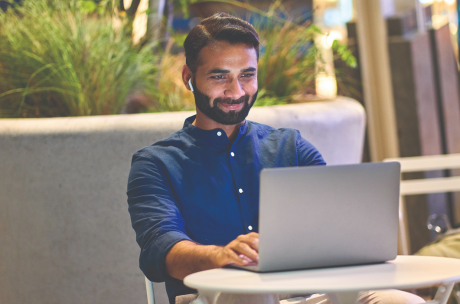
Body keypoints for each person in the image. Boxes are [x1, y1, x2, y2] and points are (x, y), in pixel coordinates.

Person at [127, 12, 424, 304]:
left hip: (307, 294)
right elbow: (160, 251)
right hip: (212, 297)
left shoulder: (291, 147)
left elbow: (333, 229)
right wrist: (222, 256)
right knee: (253, 294)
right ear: (188, 78)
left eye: (247, 75)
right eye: (219, 77)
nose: (236, 91)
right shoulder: (155, 164)